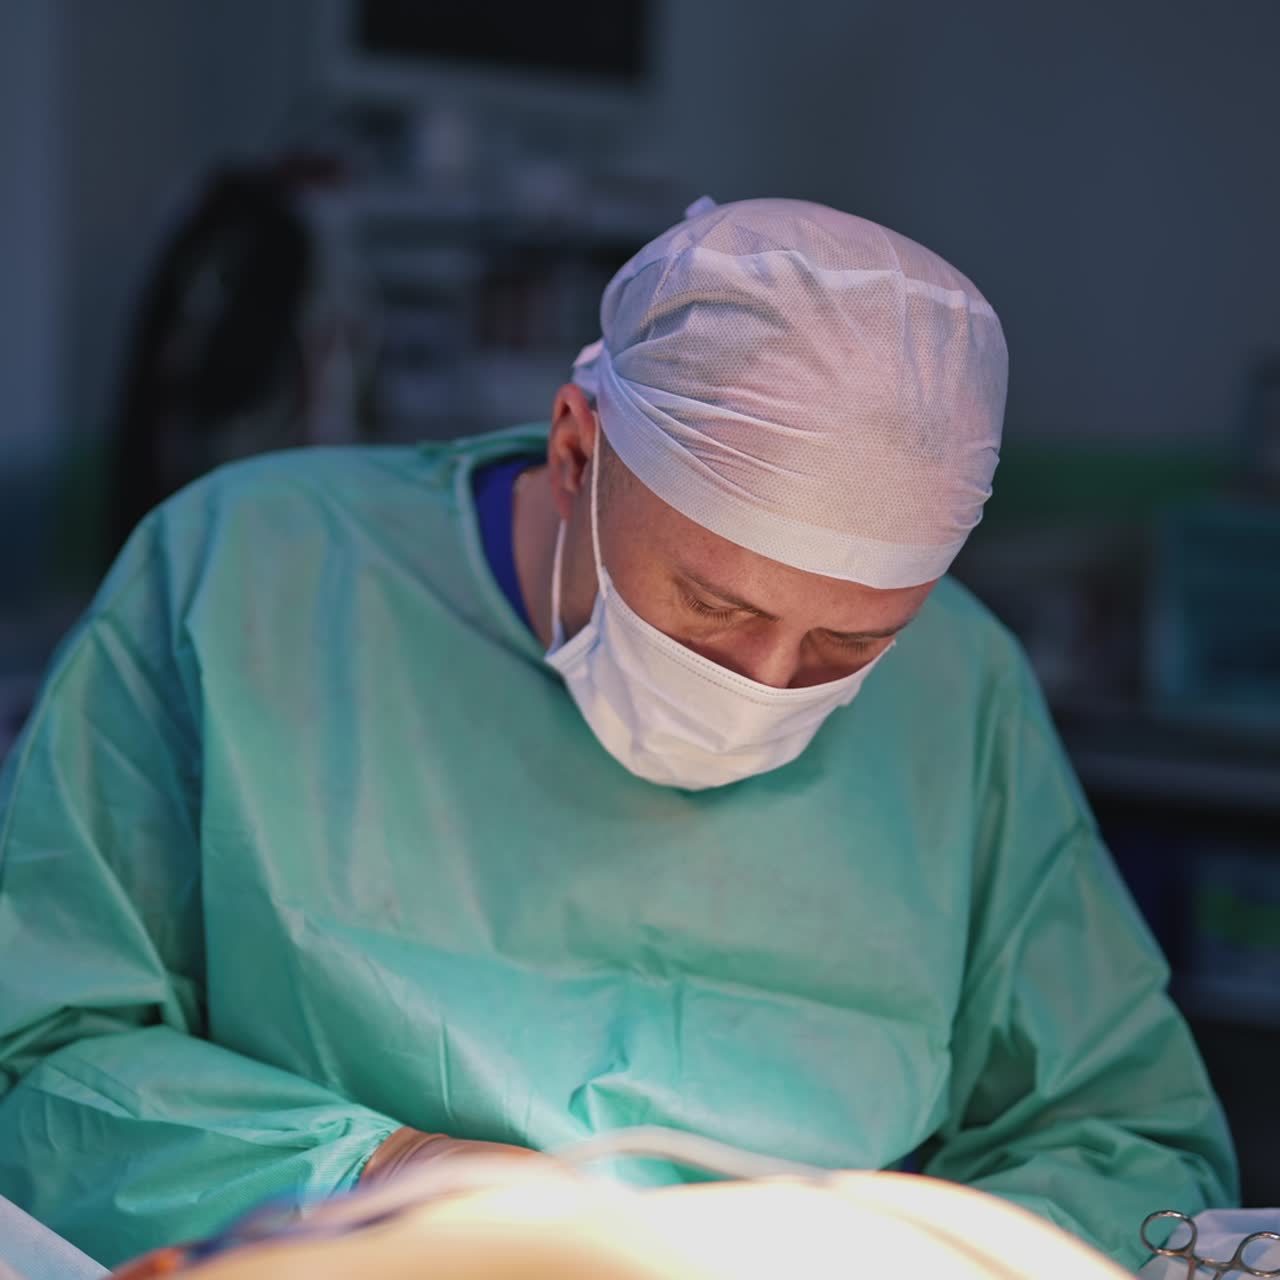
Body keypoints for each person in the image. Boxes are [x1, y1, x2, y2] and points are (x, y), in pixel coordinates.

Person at [0, 198, 1235, 1271]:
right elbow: (42, 1051)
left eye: (845, 647)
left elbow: (1124, 1141)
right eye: (714, 604)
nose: (764, 681)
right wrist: (394, 1179)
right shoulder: (245, 576)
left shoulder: (959, 679)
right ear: (575, 447)